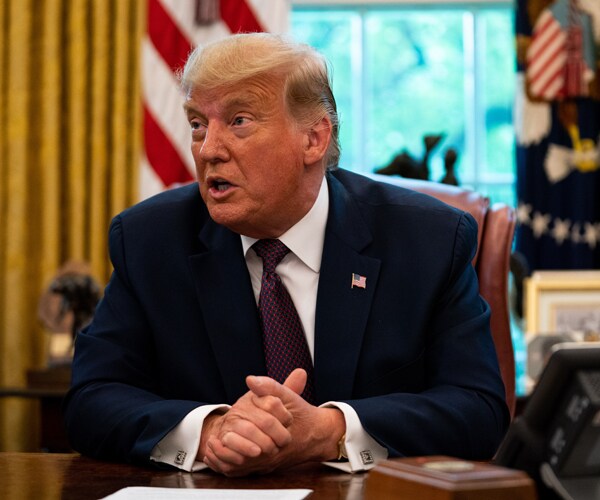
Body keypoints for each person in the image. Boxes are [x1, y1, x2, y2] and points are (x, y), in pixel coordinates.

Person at [63, 33, 509, 477]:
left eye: (239, 121)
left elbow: (478, 409)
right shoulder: (151, 240)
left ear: (314, 139)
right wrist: (210, 431)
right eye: (198, 124)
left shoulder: (427, 240)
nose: (209, 150)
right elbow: (92, 399)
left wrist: (329, 430)